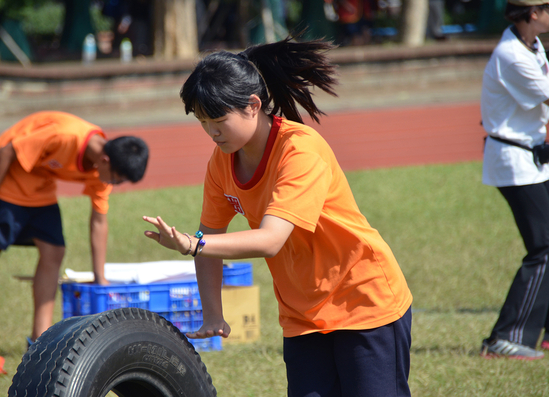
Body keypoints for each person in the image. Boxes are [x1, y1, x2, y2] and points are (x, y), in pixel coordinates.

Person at [143, 37, 413, 396]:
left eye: (218, 119)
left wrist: (193, 244)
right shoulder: (221, 162)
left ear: (253, 105)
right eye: (203, 121)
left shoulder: (299, 150)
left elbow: (270, 240)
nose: (212, 132)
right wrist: (213, 313)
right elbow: (210, 235)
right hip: (303, 316)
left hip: (363, 303)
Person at [0, 111, 149, 356]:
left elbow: (99, 221)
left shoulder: (102, 170)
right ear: (106, 159)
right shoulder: (65, 136)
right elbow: (7, 152)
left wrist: (100, 277)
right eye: (118, 180)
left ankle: (38, 340)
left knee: (54, 251)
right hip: (5, 176)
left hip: (39, 184)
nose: (114, 185)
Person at [480, 0, 549, 360]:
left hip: (534, 159)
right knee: (543, 246)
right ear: (533, 14)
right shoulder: (512, 55)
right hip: (514, 162)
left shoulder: (531, 46)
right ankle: (505, 337)